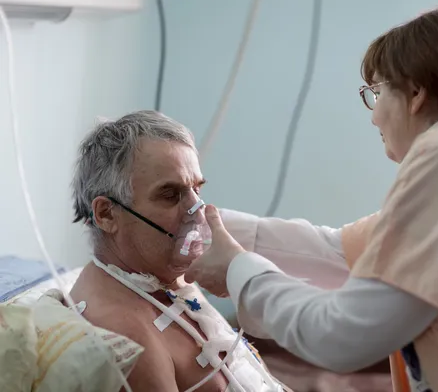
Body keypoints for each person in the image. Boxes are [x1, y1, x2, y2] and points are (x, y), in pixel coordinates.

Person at [185, 5, 438, 392]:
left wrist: (238, 272)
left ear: (416, 92)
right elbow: (336, 249)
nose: (373, 114)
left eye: (376, 92)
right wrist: (194, 223)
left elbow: (343, 337)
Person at [69, 111, 289, 392]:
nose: (198, 211)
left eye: (196, 189)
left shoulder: (164, 280)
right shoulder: (127, 341)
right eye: (171, 195)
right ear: (106, 214)